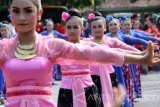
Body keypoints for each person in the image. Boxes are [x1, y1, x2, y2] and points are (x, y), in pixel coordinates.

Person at [2, 0, 160, 107]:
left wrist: (140, 57)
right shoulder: (4, 47)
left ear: (39, 13)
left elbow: (97, 53)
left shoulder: (50, 45)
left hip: (85, 87)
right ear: (10, 13)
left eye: (28, 10)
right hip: (66, 90)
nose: (21, 17)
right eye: (16, 11)